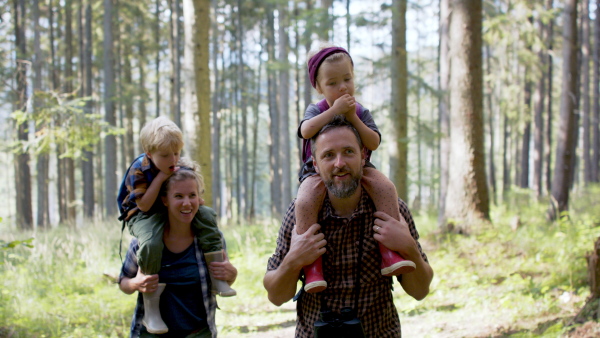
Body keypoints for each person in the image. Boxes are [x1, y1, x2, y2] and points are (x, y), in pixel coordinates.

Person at [264, 116, 434, 337]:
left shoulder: (390, 209)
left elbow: (420, 291)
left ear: (363, 156)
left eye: (348, 152)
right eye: (328, 155)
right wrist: (293, 260)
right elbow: (276, 296)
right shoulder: (302, 213)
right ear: (315, 164)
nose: (339, 163)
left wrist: (409, 248)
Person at [295, 44, 415, 293]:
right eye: (332, 83)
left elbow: (373, 142)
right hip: (317, 172)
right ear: (318, 87)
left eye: (347, 79)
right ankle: (313, 266)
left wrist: (352, 118)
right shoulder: (317, 109)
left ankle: (389, 252)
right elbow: (305, 131)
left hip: (361, 166)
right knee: (305, 201)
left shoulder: (360, 111)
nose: (342, 87)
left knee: (385, 187)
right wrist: (335, 111)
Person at [117, 116, 235, 334]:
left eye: (192, 196)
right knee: (151, 242)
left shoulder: (208, 235)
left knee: (208, 216)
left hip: (199, 331)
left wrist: (229, 274)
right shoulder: (143, 240)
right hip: (151, 334)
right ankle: (152, 309)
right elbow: (123, 281)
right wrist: (137, 284)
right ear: (165, 200)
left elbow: (229, 271)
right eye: (178, 196)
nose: (187, 203)